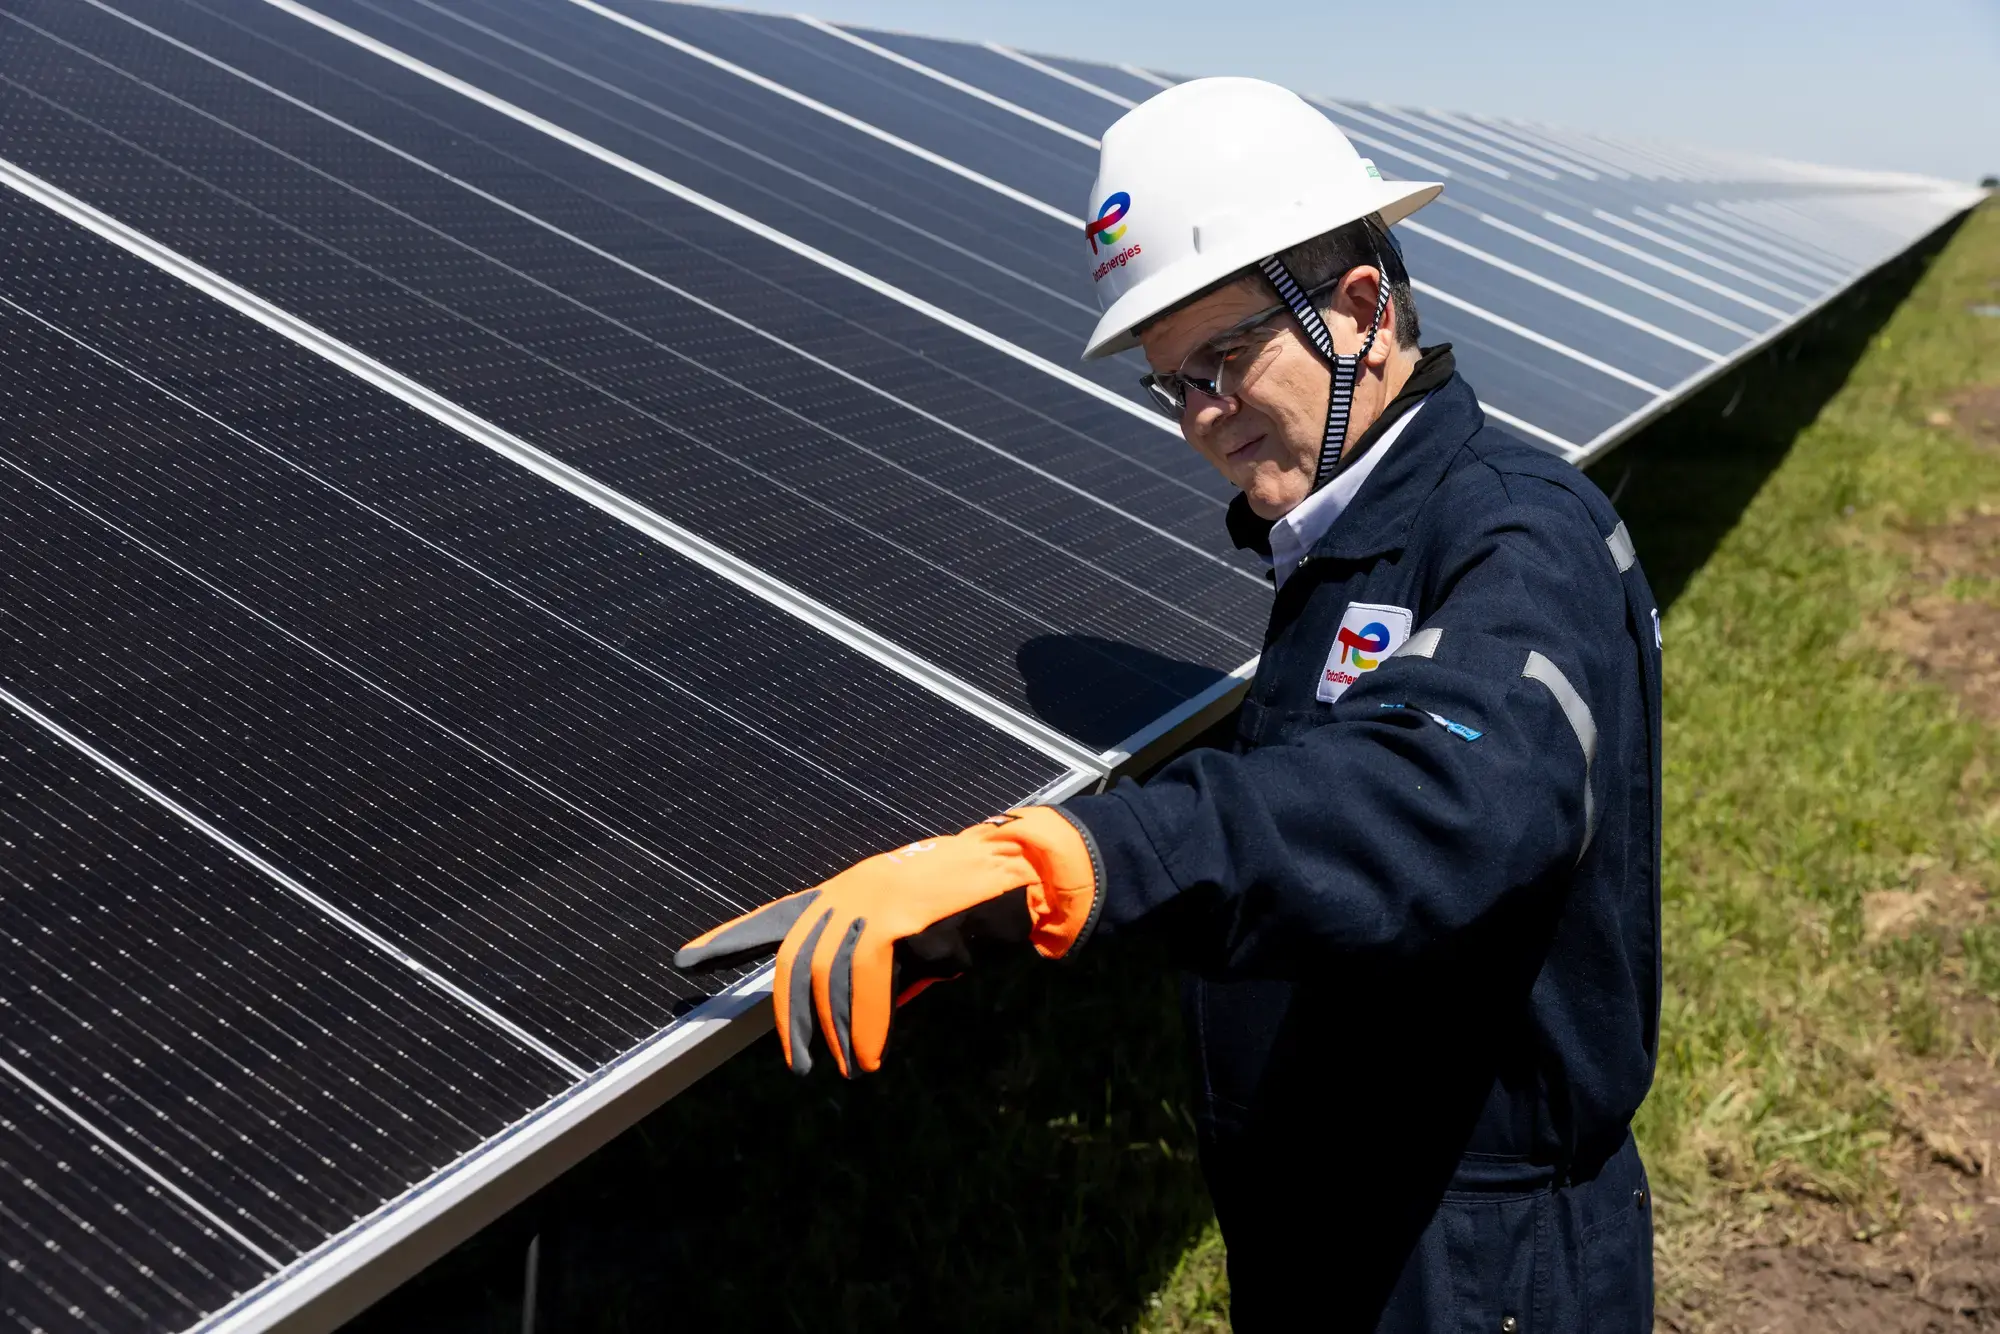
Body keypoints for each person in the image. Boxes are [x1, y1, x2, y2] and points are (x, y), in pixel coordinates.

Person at [677, 77, 1662, 1332]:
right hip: (1351, 1214)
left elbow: (1449, 797)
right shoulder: (1343, 536)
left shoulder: (1517, 538)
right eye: (1170, 382)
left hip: (1471, 1256)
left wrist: (1071, 860)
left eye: (1224, 356)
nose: (1202, 418)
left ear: (1359, 309)